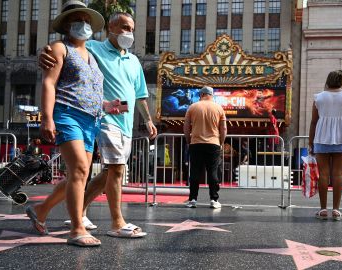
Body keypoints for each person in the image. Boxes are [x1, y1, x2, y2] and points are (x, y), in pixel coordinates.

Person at [40, 10, 157, 236]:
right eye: (123, 27)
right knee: (114, 169)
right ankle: (117, 222)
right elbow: (66, 49)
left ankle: (67, 209)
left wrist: (149, 121)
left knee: (101, 171)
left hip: (124, 121)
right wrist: (44, 52)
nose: (128, 33)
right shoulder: (95, 48)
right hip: (101, 118)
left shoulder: (133, 60)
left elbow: (140, 94)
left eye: (131, 29)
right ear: (109, 29)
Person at [25, 1, 106, 247]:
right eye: (77, 19)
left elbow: (89, 89)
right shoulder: (59, 48)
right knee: (80, 170)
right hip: (67, 114)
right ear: (66, 24)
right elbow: (49, 83)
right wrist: (47, 117)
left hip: (92, 120)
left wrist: (107, 105)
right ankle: (76, 228)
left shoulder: (92, 55)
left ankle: (41, 209)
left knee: (78, 174)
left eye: (86, 19)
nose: (83, 24)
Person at [308, 70, 342, 221]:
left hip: (321, 138)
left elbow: (314, 122)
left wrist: (310, 142)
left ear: (328, 81)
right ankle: (336, 209)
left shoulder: (319, 98)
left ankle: (323, 209)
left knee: (323, 174)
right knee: (337, 174)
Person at [183, 86, 227, 209]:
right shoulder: (219, 108)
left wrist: (188, 140)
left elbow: (186, 127)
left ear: (201, 94)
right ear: (211, 95)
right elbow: (223, 129)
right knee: (213, 172)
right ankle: (214, 199)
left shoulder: (192, 107)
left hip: (196, 143)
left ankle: (192, 199)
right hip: (213, 143)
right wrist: (221, 142)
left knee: (195, 172)